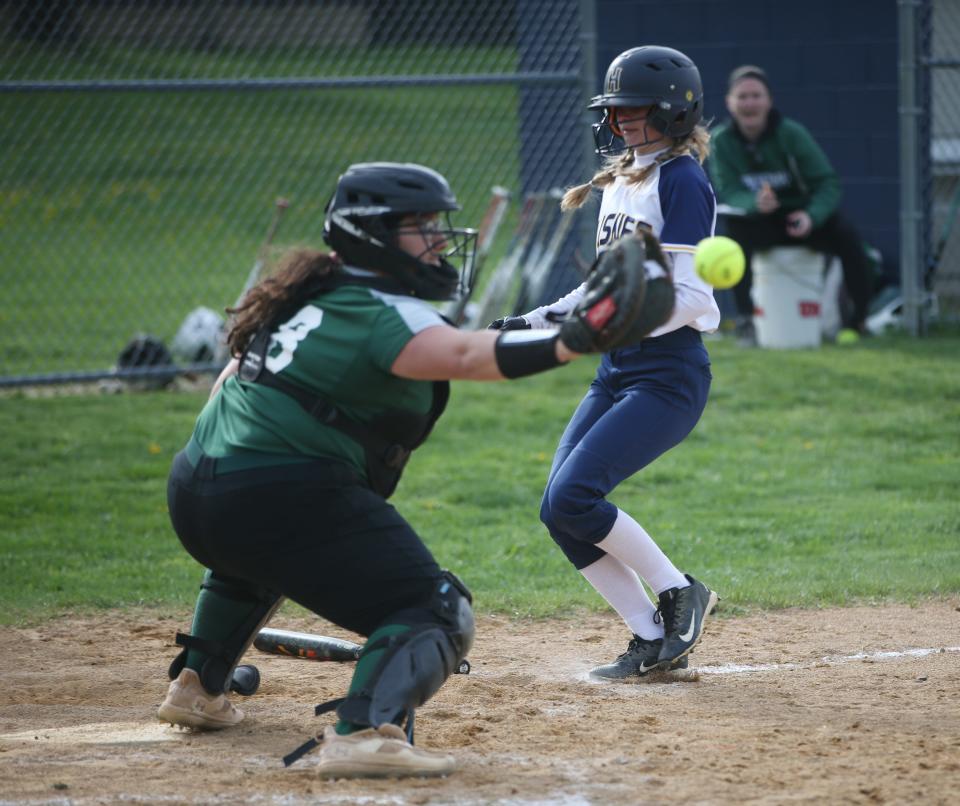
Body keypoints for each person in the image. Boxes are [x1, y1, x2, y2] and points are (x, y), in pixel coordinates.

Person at [156, 161, 666, 778]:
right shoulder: (381, 309)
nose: (436, 238)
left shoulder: (305, 296)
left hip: (195, 489)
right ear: (371, 234)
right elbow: (463, 354)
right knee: (434, 606)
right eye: (419, 226)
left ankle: (197, 685)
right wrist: (577, 338)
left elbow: (227, 385)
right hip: (281, 493)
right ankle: (364, 732)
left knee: (253, 558)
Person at [491, 46, 720, 681]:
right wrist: (532, 321)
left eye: (635, 109)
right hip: (615, 369)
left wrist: (620, 323)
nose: (620, 121)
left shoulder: (681, 179)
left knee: (575, 493)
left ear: (676, 111)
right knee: (557, 509)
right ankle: (649, 636)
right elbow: (604, 288)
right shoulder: (624, 181)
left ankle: (681, 594)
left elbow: (695, 298)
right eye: (614, 110)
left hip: (667, 374)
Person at [709, 64, 874, 345]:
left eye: (756, 95)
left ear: (769, 100)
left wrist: (811, 215)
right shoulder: (722, 141)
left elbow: (827, 182)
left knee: (847, 234)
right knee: (734, 232)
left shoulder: (792, 133)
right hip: (758, 220)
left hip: (800, 218)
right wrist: (754, 202)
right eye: (742, 96)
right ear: (730, 102)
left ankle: (858, 320)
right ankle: (747, 322)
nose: (749, 103)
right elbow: (728, 190)